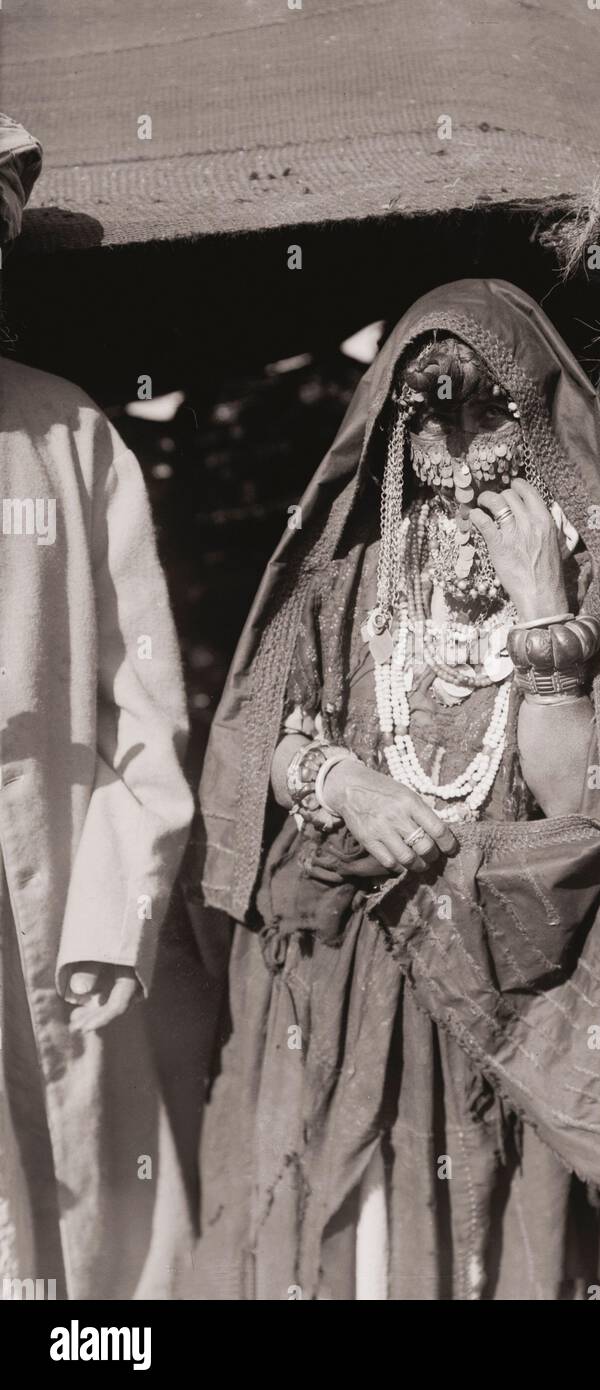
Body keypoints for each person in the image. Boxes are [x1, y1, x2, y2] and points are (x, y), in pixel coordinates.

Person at [190, 278, 600, 1300]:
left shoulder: (582, 578)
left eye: (487, 409)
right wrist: (343, 778)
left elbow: (581, 802)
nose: (459, 438)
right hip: (349, 968)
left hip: (498, 981)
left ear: (536, 422)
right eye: (432, 414)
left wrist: (543, 604)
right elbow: (263, 751)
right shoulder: (351, 571)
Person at [0, 115, 194, 1299]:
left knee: (83, 1248)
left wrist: (114, 915)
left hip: (51, 901)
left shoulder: (67, 433)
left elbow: (142, 707)